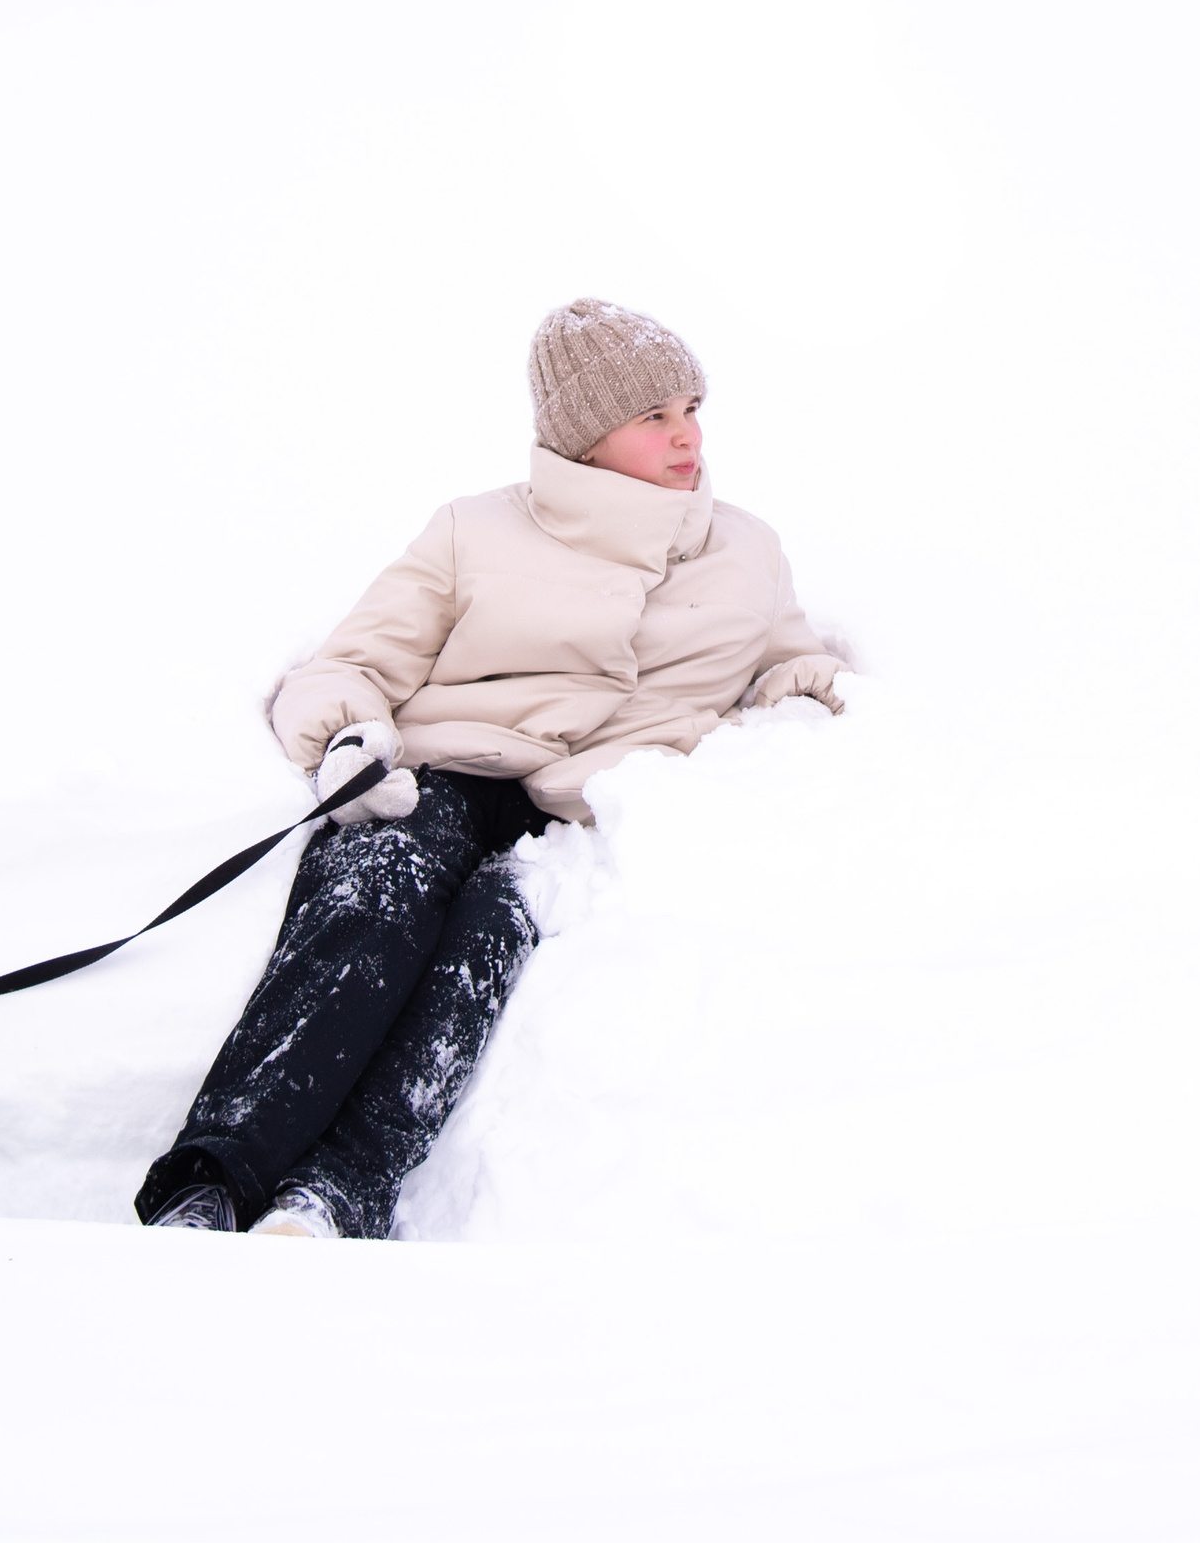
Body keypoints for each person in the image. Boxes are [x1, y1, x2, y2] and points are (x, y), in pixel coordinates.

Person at [136, 298, 847, 1239]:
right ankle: (215, 1177)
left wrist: (807, 710)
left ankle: (339, 1191)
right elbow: (352, 663)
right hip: (450, 771)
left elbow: (785, 666)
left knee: (490, 928)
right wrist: (351, 740)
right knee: (381, 885)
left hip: (594, 813)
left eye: (692, 407)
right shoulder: (474, 531)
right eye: (655, 417)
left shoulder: (747, 550)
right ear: (586, 439)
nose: (688, 437)